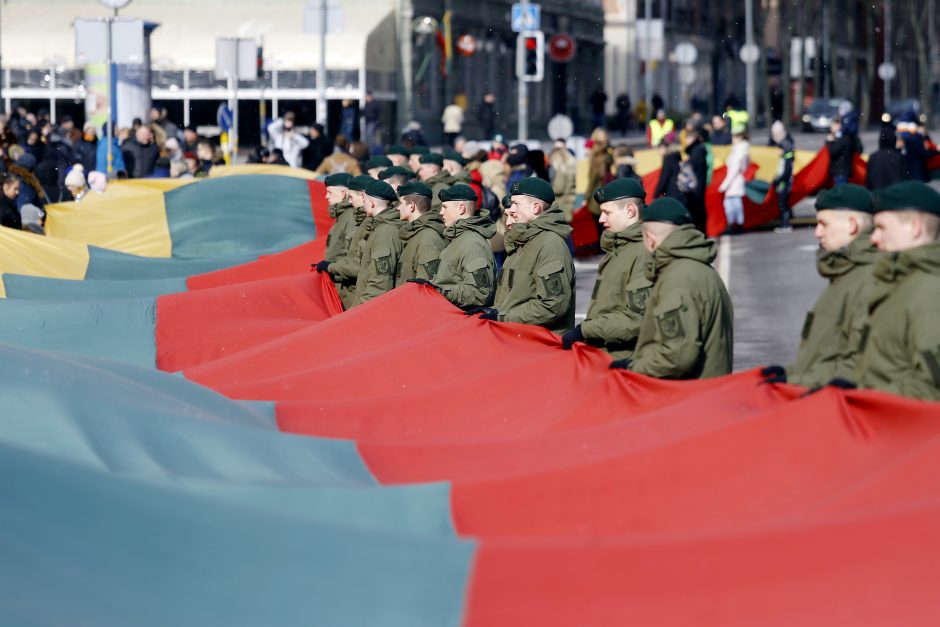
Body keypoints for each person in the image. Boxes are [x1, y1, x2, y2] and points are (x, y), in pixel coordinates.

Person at [766, 185, 878, 388]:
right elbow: (828, 351)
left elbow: (860, 365)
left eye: (823, 224)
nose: (817, 233)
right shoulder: (844, 273)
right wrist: (789, 372)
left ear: (852, 225)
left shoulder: (868, 279)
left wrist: (796, 381)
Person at [610, 197, 733, 379]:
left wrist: (634, 367)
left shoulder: (677, 279)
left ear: (650, 239)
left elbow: (678, 355)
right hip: (709, 392)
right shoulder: (702, 268)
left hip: (688, 398)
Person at [850, 181, 940, 401]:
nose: (873, 238)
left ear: (915, 228)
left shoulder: (930, 293)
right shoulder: (895, 284)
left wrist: (862, 397)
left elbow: (932, 389)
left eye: (881, 228)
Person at [467, 177, 575, 333]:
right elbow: (512, 298)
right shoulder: (521, 241)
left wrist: (502, 317)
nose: (511, 210)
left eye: (516, 204)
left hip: (541, 344)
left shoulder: (550, 244)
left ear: (535, 208)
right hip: (518, 338)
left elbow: (553, 305)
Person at [561, 178, 650, 358]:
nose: (601, 219)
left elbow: (638, 319)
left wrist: (586, 330)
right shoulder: (617, 248)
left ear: (630, 211)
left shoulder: (643, 254)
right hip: (605, 353)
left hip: (623, 358)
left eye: (606, 212)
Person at [417, 183, 497, 308]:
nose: (441, 213)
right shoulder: (459, 238)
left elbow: (480, 293)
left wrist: (440, 291)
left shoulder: (472, 243)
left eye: (445, 207)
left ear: (461, 208)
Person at [315, 174, 374, 309]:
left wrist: (329, 267)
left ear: (343, 194)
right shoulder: (345, 217)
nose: (326, 197)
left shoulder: (352, 219)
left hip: (349, 291)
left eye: (330, 192)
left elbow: (354, 260)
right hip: (342, 285)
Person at [352, 179, 403, 305]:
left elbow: (380, 283)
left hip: (368, 309)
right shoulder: (379, 227)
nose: (363, 206)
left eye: (364, 201)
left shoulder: (385, 232)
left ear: (372, 203)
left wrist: (356, 312)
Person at [395, 181, 446, 283]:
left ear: (411, 205)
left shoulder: (428, 238)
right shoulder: (414, 233)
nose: (397, 208)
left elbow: (426, 286)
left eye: (400, 203)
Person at [719, 130, 750, 233]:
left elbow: (734, 170)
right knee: (733, 205)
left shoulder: (739, 152)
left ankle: (735, 225)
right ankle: (736, 224)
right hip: (734, 182)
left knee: (733, 205)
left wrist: (724, 185)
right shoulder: (738, 150)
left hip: (734, 182)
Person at [682, 126, 709, 232]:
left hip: (696, 187)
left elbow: (692, 168)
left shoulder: (696, 151)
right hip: (698, 185)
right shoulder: (697, 150)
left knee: (697, 210)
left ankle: (700, 232)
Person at [770, 120, 795, 232]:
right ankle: (784, 223)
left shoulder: (786, 145)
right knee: (783, 203)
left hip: (785, 181)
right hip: (783, 180)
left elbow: (787, 167)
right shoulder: (784, 144)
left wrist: (779, 179)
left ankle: (786, 225)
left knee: (783, 203)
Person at [865, 124, 906, 190]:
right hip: (894, 192)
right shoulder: (898, 157)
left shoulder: (874, 156)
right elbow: (904, 177)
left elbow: (869, 179)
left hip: (878, 192)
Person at [549, 140, 577, 222]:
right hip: (569, 205)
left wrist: (547, 189)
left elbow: (558, 188)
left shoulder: (561, 170)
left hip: (561, 206)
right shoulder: (571, 167)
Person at [826, 117, 857, 186]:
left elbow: (833, 151)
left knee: (840, 191)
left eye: (834, 125)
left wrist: (829, 142)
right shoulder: (844, 137)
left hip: (841, 171)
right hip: (840, 170)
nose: (832, 127)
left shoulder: (843, 138)